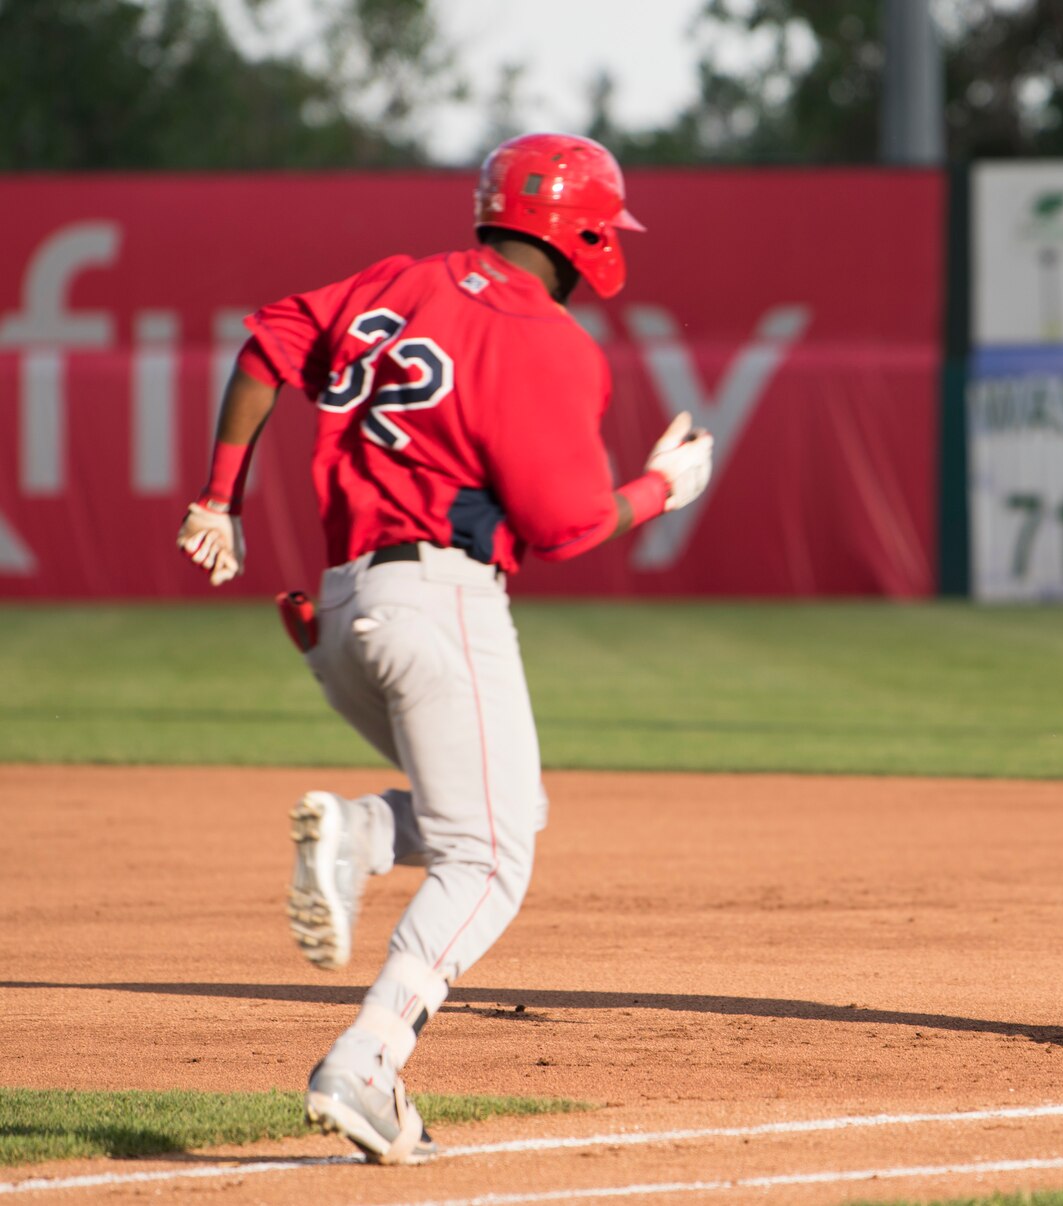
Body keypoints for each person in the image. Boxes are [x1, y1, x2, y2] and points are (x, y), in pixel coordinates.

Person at [174, 132, 714, 1164]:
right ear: (583, 229)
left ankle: (366, 838)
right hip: (438, 601)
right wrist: (664, 487)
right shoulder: (545, 339)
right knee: (494, 858)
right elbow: (563, 528)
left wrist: (217, 496)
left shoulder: (395, 282)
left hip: (338, 613)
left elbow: (264, 346)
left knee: (506, 815)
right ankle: (367, 1064)